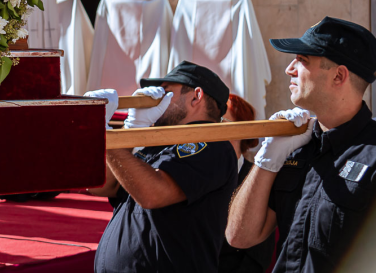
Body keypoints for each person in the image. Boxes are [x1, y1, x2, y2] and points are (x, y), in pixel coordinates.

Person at [225, 17, 376, 273]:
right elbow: (239, 236)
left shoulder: (371, 155)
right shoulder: (294, 145)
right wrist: (267, 159)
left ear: (339, 75)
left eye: (302, 60)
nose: (289, 69)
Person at [87, 61, 238, 273]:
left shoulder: (211, 145)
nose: (155, 98)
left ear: (196, 96)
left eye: (166, 91)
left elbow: (152, 194)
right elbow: (102, 186)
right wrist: (131, 129)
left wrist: (104, 132)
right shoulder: (159, 142)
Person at [218, 94, 274, 273]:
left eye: (220, 120)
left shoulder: (257, 176)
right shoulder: (194, 174)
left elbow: (258, 256)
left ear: (242, 129)